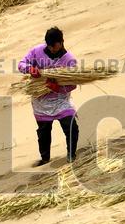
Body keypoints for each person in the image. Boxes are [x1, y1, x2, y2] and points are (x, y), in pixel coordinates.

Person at [17, 27, 80, 166]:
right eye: (50, 47)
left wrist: (57, 88)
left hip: (61, 100)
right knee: (44, 132)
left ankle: (71, 155)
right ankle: (45, 159)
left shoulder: (69, 60)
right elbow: (21, 64)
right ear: (47, 44)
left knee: (71, 127)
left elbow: (73, 85)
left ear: (62, 42)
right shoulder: (37, 51)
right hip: (41, 101)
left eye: (55, 47)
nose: (52, 50)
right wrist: (30, 69)